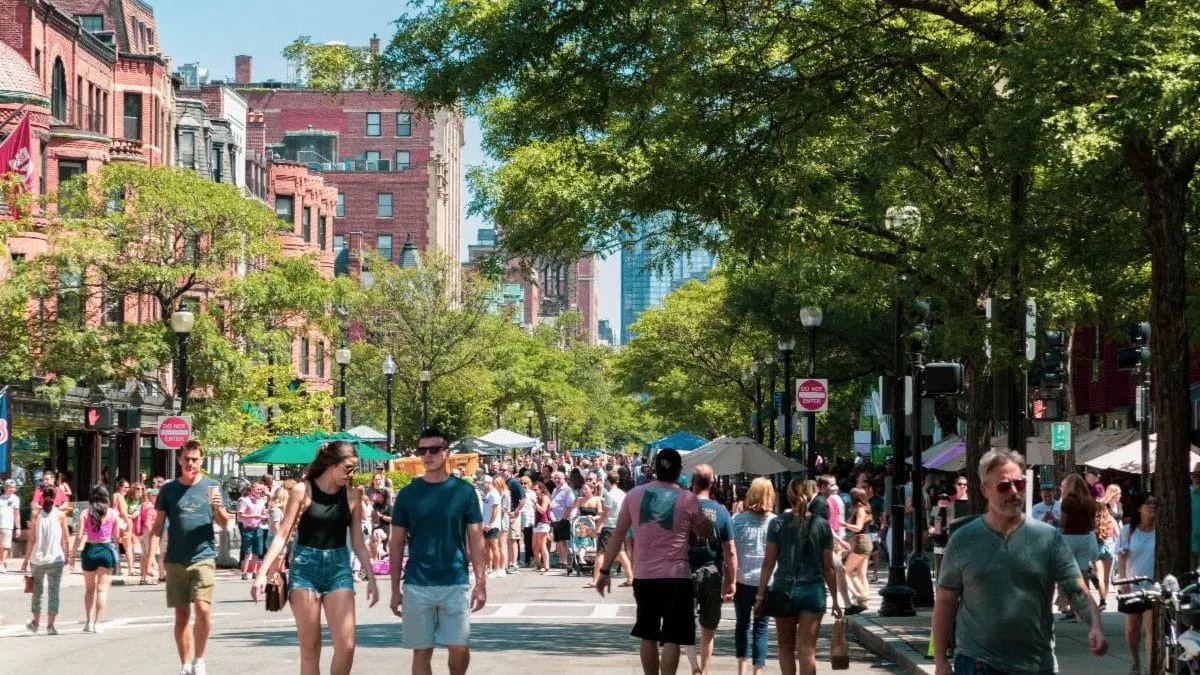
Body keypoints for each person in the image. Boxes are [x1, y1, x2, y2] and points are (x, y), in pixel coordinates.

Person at [931, 449, 1107, 675]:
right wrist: (940, 661)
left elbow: (1077, 589)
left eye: (1020, 484)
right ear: (985, 490)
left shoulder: (1048, 538)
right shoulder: (963, 540)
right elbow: (946, 601)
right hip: (979, 664)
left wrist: (1095, 626)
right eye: (1004, 486)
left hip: (1037, 665)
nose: (1014, 492)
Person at [252, 441, 379, 675]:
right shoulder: (303, 490)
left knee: (347, 646)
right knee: (310, 649)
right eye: (348, 468)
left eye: (354, 468)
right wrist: (261, 573)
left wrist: (371, 577)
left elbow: (359, 542)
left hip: (339, 568)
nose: (352, 473)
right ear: (331, 464)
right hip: (305, 568)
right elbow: (282, 535)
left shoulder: (352, 496)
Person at [596, 449, 712, 675]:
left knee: (647, 634)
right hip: (677, 576)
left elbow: (618, 535)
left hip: (645, 576)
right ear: (679, 472)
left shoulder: (634, 495)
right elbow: (705, 531)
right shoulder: (687, 499)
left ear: (654, 469)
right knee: (673, 637)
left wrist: (605, 570)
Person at [389, 427, 487, 675]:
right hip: (417, 583)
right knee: (421, 651)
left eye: (434, 449)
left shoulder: (464, 492)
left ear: (446, 452)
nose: (427, 455)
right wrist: (393, 589)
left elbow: (476, 539)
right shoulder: (408, 495)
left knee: (459, 647)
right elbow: (396, 543)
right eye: (422, 450)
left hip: (455, 580)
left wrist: (481, 582)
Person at [148, 440, 233, 675]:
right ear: (179, 460)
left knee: (203, 609)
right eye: (186, 459)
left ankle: (199, 658)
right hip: (175, 558)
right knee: (182, 614)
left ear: (202, 460)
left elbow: (225, 524)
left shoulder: (212, 486)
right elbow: (158, 524)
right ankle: (185, 664)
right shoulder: (169, 489)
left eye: (195, 459)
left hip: (203, 556)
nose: (191, 463)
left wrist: (218, 508)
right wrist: (152, 556)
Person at [685, 465, 736, 675]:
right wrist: (732, 580)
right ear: (712, 484)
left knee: (683, 623)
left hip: (683, 571)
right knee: (708, 627)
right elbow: (730, 550)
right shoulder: (721, 511)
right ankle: (704, 671)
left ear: (692, 483)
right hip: (712, 572)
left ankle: (693, 666)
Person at [731, 478, 775, 675]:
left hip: (742, 580)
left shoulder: (737, 520)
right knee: (761, 628)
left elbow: (731, 553)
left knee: (742, 625)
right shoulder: (775, 522)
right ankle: (757, 671)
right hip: (766, 583)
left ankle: (741, 669)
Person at [1117, 493, 1157, 675]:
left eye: (1155, 503)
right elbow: (1121, 557)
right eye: (1148, 503)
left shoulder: (1161, 530)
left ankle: (1150, 667)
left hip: (1154, 587)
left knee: (1151, 628)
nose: (1152, 506)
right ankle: (1135, 661)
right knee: (1132, 628)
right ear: (1139, 508)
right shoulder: (1128, 530)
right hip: (1132, 586)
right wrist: (1123, 581)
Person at [70, 485, 118, 633]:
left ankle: (88, 622)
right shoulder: (112, 513)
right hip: (105, 549)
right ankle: (98, 623)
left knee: (89, 590)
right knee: (102, 590)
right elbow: (116, 537)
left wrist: (72, 555)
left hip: (90, 549)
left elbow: (79, 536)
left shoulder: (85, 513)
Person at [21, 484, 68, 635]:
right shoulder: (61, 515)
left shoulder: (36, 515)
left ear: (42, 497)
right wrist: (67, 554)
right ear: (55, 497)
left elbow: (31, 539)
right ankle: (51, 626)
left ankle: (35, 623)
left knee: (37, 592)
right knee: (54, 591)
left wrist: (25, 560)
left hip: (38, 558)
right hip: (55, 558)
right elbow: (65, 538)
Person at [1058, 473, 1099, 619]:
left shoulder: (1067, 501)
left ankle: (1072, 607)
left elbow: (1063, 523)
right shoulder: (1090, 501)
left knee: (1069, 573)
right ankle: (1086, 604)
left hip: (1069, 537)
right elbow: (1093, 522)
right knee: (1083, 572)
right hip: (1085, 537)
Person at [593, 471, 633, 588]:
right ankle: (630, 577)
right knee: (620, 552)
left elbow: (606, 513)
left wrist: (599, 526)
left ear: (607, 481)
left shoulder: (610, 495)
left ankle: (596, 579)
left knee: (600, 553)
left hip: (609, 526)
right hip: (619, 525)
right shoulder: (622, 494)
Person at [842, 487, 873, 614]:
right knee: (861, 573)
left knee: (846, 571)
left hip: (860, 542)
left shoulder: (860, 509)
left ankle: (862, 595)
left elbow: (858, 527)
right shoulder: (864, 508)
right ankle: (864, 603)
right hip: (864, 541)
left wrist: (843, 524)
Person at [1094, 484, 1121, 611]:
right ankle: (1105, 600)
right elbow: (1118, 531)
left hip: (1097, 544)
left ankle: (1102, 600)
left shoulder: (1095, 520)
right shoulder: (1110, 518)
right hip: (1110, 544)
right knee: (1107, 577)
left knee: (1099, 575)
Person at [238, 484, 268, 581]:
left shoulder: (261, 501)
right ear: (251, 490)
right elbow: (241, 515)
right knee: (247, 552)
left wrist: (265, 515)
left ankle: (254, 572)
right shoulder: (245, 500)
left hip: (258, 528)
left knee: (257, 552)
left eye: (260, 489)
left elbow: (263, 513)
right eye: (257, 489)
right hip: (248, 529)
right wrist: (255, 516)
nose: (259, 491)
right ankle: (245, 573)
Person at [501, 464, 525, 574]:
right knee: (508, 540)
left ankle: (514, 563)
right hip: (505, 514)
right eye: (501, 470)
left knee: (513, 539)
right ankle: (509, 562)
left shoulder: (514, 482)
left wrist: (516, 511)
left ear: (509, 471)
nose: (502, 472)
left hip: (512, 514)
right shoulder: (502, 482)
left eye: (504, 470)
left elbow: (523, 498)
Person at [0, 479, 20, 572]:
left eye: (14, 487)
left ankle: (1, 564)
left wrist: (18, 528)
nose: (12, 489)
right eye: (10, 487)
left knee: (6, 545)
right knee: (1, 546)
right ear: (5, 487)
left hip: (8, 525)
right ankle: (1, 562)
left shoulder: (15, 499)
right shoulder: (0, 498)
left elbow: (17, 514)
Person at [532, 481, 553, 572]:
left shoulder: (545, 497)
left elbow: (543, 510)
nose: (535, 491)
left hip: (543, 523)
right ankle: (538, 565)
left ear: (541, 489)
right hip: (537, 523)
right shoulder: (538, 498)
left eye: (536, 489)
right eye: (534, 490)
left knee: (542, 545)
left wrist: (535, 504)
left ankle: (546, 565)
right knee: (535, 546)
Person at [1191, 464, 1200, 570]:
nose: (1197, 479)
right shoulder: (1186, 494)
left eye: (1199, 475)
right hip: (1190, 549)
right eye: (1194, 475)